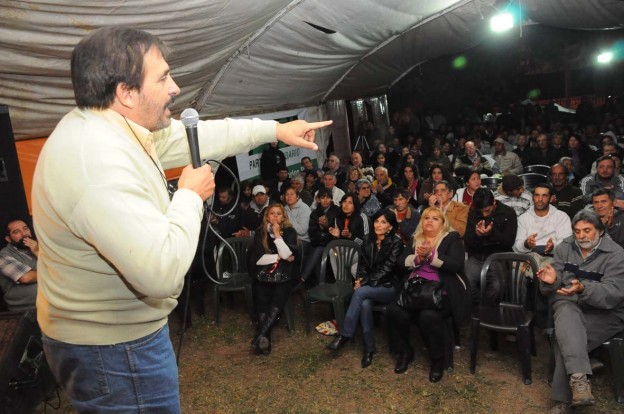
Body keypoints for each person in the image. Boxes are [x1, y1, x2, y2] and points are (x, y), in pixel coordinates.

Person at [31, 26, 331, 412]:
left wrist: (275, 130)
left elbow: (201, 135)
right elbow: (161, 273)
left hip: (113, 340)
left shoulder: (115, 129)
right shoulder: (96, 162)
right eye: (163, 78)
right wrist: (189, 195)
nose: (175, 88)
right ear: (126, 92)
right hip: (114, 349)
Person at [537, 210, 624, 413]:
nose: (581, 236)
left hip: (607, 313)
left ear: (600, 231)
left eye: (587, 230)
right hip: (570, 305)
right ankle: (580, 382)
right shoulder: (565, 247)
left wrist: (583, 288)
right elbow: (552, 287)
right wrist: (551, 281)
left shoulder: (617, 254)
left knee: (567, 338)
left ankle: (563, 401)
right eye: (577, 231)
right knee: (565, 311)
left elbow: (613, 293)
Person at [387, 207, 470, 382]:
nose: (429, 221)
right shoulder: (416, 238)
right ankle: (405, 352)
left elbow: (456, 264)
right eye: (426, 218)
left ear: (443, 223)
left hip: (441, 291)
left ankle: (437, 360)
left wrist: (431, 256)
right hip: (415, 290)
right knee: (394, 310)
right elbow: (400, 263)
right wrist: (417, 258)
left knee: (428, 316)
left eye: (435, 218)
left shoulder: (452, 238)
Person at [326, 209, 404, 368]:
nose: (378, 225)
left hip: (389, 286)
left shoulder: (396, 243)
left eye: (383, 222)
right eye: (376, 221)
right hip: (370, 285)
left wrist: (364, 282)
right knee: (365, 303)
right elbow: (362, 266)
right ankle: (369, 349)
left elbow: (387, 269)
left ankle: (345, 334)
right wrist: (360, 279)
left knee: (360, 293)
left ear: (390, 226)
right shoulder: (368, 239)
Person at [249, 204, 300, 355]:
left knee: (279, 294)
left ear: (283, 217)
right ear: (267, 216)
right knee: (260, 294)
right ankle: (265, 338)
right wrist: (278, 257)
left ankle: (260, 336)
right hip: (263, 272)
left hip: (285, 274)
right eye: (272, 213)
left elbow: (288, 254)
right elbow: (258, 259)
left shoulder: (289, 231)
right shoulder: (260, 232)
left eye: (279, 213)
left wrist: (277, 235)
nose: (275, 216)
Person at [464, 188, 517, 305]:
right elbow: (467, 241)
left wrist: (492, 233)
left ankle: (486, 308)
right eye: (481, 211)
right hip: (477, 256)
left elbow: (509, 242)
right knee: (466, 283)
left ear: (493, 202)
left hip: (497, 258)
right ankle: (482, 306)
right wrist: (477, 235)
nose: (484, 214)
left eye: (487, 210)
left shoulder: (508, 213)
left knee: (497, 287)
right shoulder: (473, 213)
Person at [513, 183, 572, 268]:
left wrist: (552, 247)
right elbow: (516, 248)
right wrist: (526, 244)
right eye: (537, 195)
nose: (540, 199)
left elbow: (566, 246)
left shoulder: (561, 217)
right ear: (532, 197)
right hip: (529, 257)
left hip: (554, 257)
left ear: (551, 198)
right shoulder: (523, 218)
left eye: (544, 196)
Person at [300, 188, 340, 287]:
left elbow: (336, 230)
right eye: (323, 197)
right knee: (317, 252)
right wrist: (322, 229)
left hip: (333, 243)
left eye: (328, 197)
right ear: (318, 199)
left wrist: (325, 227)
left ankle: (303, 278)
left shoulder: (337, 211)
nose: (325, 200)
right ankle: (320, 285)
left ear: (331, 199)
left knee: (318, 250)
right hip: (319, 243)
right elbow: (312, 234)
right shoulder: (314, 213)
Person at [0, 218, 38, 311]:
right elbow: (26, 277)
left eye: (25, 228)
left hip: (53, 304)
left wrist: (38, 252)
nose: (24, 234)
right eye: (17, 232)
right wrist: (54, 273)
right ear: (8, 239)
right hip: (27, 310)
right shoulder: (3, 256)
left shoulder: (40, 247)